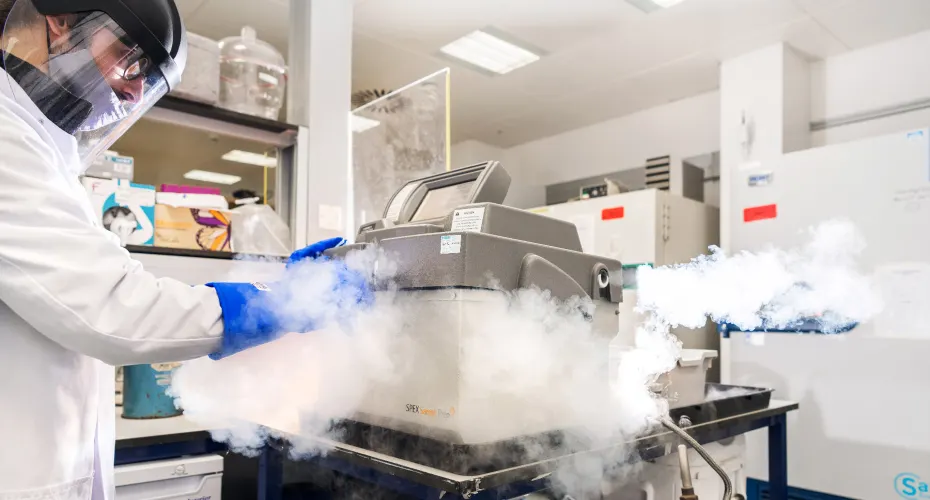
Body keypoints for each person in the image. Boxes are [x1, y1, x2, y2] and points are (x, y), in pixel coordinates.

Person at [0, 1, 368, 499]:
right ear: (61, 21)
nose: (132, 93)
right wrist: (282, 302)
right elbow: (111, 307)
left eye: (144, 82)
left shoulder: (42, 151)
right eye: (130, 61)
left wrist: (282, 292)